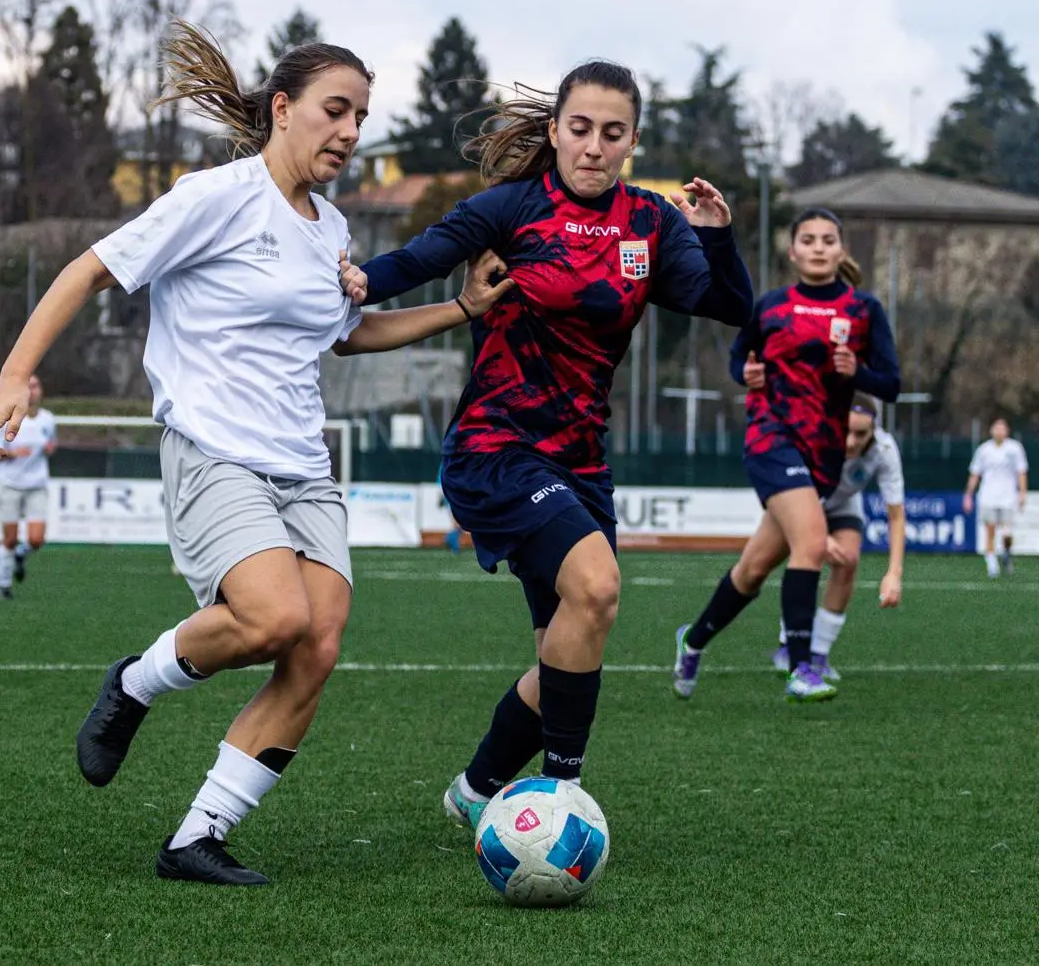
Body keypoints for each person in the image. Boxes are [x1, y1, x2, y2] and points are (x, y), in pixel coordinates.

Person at [0, 20, 513, 885]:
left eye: (363, 118)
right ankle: (134, 685)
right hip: (215, 451)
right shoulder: (213, 195)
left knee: (317, 645)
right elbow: (87, 270)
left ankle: (197, 838)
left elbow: (350, 336)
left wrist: (464, 311)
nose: (350, 132)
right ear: (283, 108)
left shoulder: (331, 227)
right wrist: (9, 379)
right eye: (336, 110)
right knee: (272, 619)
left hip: (303, 466)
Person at [339, 60, 754, 830]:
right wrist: (355, 280)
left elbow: (727, 305)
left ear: (633, 141)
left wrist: (719, 238)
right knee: (596, 586)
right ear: (557, 129)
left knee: (566, 647)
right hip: (496, 448)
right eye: (581, 128)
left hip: (581, 461)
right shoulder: (512, 207)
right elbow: (419, 260)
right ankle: (564, 794)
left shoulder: (652, 224)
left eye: (613, 132)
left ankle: (475, 790)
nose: (594, 146)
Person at [674, 209, 900, 702]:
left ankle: (692, 641)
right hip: (770, 440)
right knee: (813, 543)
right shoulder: (771, 307)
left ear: (841, 251)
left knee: (753, 570)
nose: (818, 247)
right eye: (808, 239)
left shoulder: (863, 311)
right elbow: (741, 359)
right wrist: (745, 376)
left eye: (828, 240)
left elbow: (892, 384)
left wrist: (857, 371)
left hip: (823, 455)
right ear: (792, 250)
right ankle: (803, 667)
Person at [759, 395, 905, 680]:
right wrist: (817, 536)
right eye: (846, 431)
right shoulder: (814, 437)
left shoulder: (885, 451)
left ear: (875, 429)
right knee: (757, 570)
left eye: (861, 433)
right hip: (800, 498)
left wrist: (894, 573)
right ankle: (786, 643)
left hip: (843, 503)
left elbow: (896, 516)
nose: (851, 441)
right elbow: (789, 486)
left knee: (848, 560)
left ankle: (817, 656)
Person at [0, 374, 57, 600]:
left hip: (37, 484)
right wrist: (13, 453)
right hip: (10, 484)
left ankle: (21, 554)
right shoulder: (7, 418)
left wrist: (49, 449)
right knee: (9, 538)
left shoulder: (47, 419)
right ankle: (4, 586)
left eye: (36, 386)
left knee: (36, 539)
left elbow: (51, 443)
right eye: (28, 386)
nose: (32, 390)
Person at [964, 418, 1028, 578]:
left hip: (1007, 496)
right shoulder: (983, 450)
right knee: (990, 529)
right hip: (988, 496)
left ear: (1007, 431)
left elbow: (1021, 471)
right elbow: (975, 473)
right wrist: (968, 495)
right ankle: (992, 565)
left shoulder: (1015, 448)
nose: (999, 431)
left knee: (1007, 533)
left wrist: (1022, 492)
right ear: (992, 431)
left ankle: (1006, 553)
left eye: (1002, 428)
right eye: (996, 428)